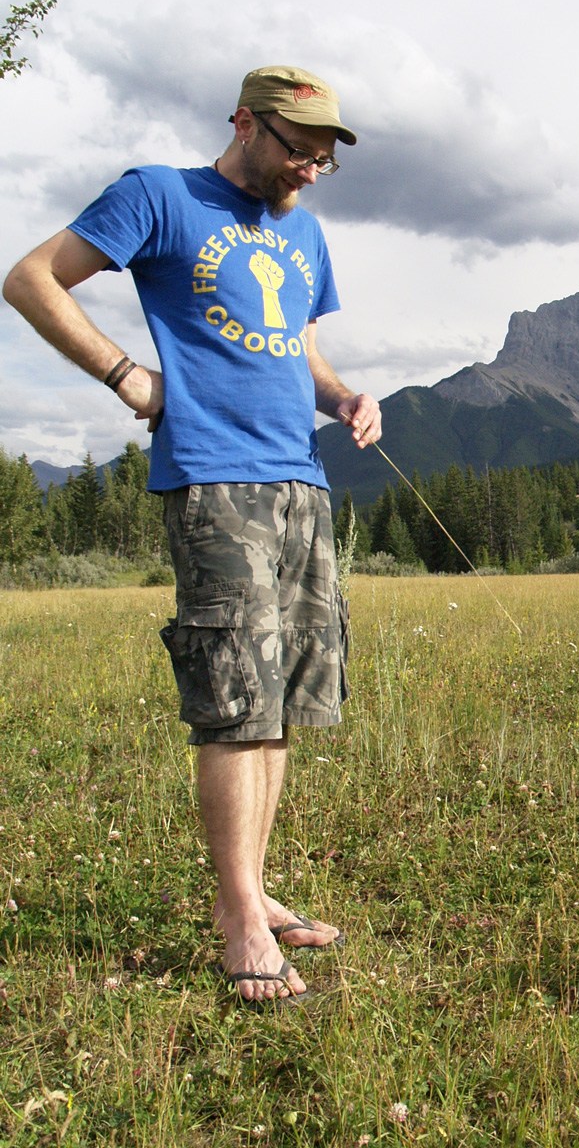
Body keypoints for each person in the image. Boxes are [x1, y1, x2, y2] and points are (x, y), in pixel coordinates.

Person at [3, 65, 381, 1005]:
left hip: (302, 481)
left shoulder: (303, 230)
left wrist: (343, 397)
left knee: (280, 702)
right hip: (216, 478)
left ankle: (255, 888)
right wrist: (125, 374)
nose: (310, 171)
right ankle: (239, 917)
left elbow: (298, 344)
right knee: (233, 700)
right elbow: (31, 279)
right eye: (298, 151)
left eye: (324, 159)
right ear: (245, 123)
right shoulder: (160, 196)